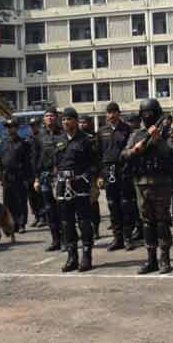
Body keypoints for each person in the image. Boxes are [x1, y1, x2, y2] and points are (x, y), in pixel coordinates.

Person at [122, 98, 173, 274]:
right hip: (141, 184)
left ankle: (164, 259)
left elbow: (171, 154)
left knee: (162, 222)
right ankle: (151, 259)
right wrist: (134, 150)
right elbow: (123, 155)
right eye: (144, 113)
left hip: (161, 183)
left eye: (151, 113)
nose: (147, 116)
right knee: (147, 222)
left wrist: (158, 139)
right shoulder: (136, 135)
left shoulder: (168, 133)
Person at [54, 107, 97, 272]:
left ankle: (87, 255)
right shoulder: (59, 140)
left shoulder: (86, 140)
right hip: (62, 185)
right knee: (66, 222)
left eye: (69, 119)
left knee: (84, 221)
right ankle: (72, 257)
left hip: (80, 184)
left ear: (76, 121)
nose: (65, 122)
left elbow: (94, 163)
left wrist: (91, 181)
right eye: (63, 119)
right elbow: (55, 164)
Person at [96, 102, 135, 251]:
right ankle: (117, 238)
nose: (111, 115)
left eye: (114, 112)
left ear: (119, 113)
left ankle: (128, 238)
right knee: (112, 205)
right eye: (109, 112)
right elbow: (98, 154)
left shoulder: (127, 129)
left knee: (126, 204)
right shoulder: (101, 131)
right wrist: (99, 175)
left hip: (123, 170)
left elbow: (131, 151)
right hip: (108, 171)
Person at [35, 107, 63, 252]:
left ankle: (66, 240)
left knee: (63, 208)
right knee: (49, 209)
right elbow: (35, 159)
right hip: (45, 177)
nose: (50, 118)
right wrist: (36, 179)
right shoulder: (39, 136)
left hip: (61, 177)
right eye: (47, 116)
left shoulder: (63, 134)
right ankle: (55, 240)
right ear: (44, 119)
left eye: (52, 115)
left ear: (56, 118)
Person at [0, 119, 31, 233]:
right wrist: (0, 175)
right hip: (7, 175)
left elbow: (28, 162)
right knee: (8, 201)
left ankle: (21, 223)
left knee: (20, 200)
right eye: (8, 127)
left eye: (12, 126)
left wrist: (27, 178)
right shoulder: (3, 142)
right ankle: (11, 224)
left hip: (19, 175)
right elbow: (1, 160)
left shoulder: (23, 143)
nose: (9, 129)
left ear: (16, 128)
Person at [79, 116, 102, 240]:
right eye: (80, 122)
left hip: (92, 176)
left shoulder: (95, 138)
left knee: (93, 203)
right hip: (78, 176)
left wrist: (99, 175)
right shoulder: (75, 138)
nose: (82, 125)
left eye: (85, 122)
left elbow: (98, 157)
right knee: (80, 205)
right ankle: (84, 230)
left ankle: (95, 228)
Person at [26, 117, 45, 228]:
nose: (33, 127)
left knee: (40, 195)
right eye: (32, 125)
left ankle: (43, 217)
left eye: (35, 125)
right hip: (30, 171)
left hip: (40, 170)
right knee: (31, 196)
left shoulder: (43, 137)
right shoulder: (29, 138)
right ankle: (37, 216)